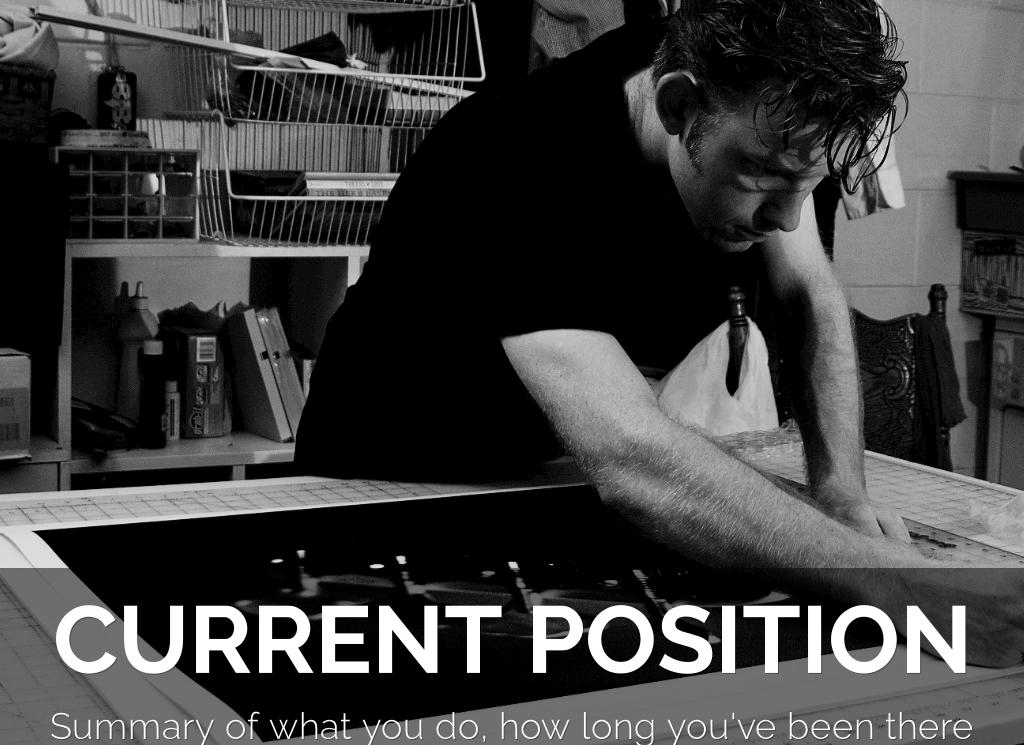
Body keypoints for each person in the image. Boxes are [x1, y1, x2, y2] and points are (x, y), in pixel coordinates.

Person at [297, 0, 1024, 667]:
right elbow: (632, 457)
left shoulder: (764, 106)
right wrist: (908, 589)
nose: (785, 219)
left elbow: (811, 296)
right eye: (763, 176)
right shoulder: (523, 153)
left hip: (538, 470)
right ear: (679, 106)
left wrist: (841, 495)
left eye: (808, 184)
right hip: (378, 484)